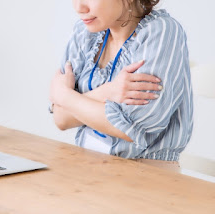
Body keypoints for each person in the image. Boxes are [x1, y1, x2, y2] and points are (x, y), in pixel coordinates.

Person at [49, 0, 193, 172]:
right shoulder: (85, 32)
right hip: (87, 167)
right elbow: (61, 119)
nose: (79, 8)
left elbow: (135, 128)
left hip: (145, 175)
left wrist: (64, 96)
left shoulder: (161, 32)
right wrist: (107, 92)